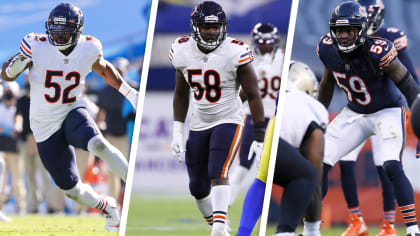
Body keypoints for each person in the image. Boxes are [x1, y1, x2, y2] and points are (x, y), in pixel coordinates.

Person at [1, 3, 137, 232]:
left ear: (77, 31)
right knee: (71, 189)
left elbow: (104, 69)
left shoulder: (89, 47)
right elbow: (6, 73)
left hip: (72, 110)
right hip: (43, 125)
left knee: (98, 145)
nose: (59, 36)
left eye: (64, 32)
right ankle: (107, 207)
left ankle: (134, 184)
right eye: (55, 31)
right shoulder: (36, 44)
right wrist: (14, 67)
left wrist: (130, 93)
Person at [317, 2, 420, 236]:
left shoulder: (379, 49)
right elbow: (326, 84)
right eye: (339, 31)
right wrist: (316, 118)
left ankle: (413, 230)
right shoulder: (326, 48)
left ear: (361, 30)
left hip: (387, 111)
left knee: (391, 165)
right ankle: (310, 229)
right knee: (318, 163)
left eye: (349, 30)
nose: (343, 36)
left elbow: (408, 84)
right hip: (354, 112)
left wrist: (418, 116)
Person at [170, 1, 265, 236]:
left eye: (216, 26)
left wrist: (260, 134)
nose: (212, 31)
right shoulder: (182, 51)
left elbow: (253, 95)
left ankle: (220, 230)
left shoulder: (235, 51)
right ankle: (218, 225)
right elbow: (181, 94)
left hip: (229, 118)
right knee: (197, 187)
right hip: (199, 122)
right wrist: (177, 132)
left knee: (218, 170)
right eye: (206, 26)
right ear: (195, 27)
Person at [237, 64, 327, 235]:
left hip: (271, 128)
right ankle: (286, 231)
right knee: (308, 174)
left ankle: (243, 233)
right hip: (278, 137)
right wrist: (313, 229)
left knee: (262, 179)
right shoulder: (316, 108)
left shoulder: (283, 96)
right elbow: (315, 167)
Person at [229, 22, 283, 208]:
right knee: (244, 164)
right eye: (262, 42)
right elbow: (236, 96)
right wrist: (251, 78)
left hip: (277, 118)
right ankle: (224, 207)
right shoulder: (246, 59)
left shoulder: (283, 58)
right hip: (254, 117)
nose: (266, 46)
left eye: (269, 42)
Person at [96, 57, 131, 203]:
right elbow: (101, 112)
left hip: (126, 135)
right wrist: (97, 127)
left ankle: (123, 203)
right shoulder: (105, 91)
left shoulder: (132, 89)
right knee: (112, 171)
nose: (118, 74)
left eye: (120, 71)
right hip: (110, 135)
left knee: (126, 172)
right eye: (116, 70)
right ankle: (113, 203)